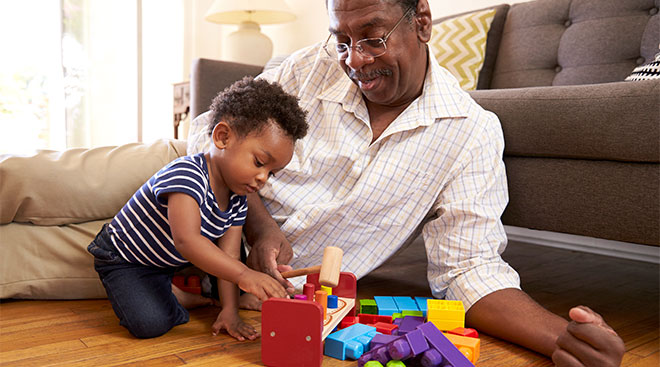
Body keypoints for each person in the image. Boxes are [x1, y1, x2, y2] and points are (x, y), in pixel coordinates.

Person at [188, 0, 625, 365]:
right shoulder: (310, 67)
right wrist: (260, 225)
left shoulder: (469, 132)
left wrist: (559, 338)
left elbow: (468, 269)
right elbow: (206, 135)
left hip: (235, 286)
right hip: (185, 203)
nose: (355, 60)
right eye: (342, 41)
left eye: (373, 38)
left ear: (422, 22)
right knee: (131, 185)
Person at [87, 77, 308, 340]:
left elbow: (230, 258)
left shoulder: (238, 198)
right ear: (223, 137)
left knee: (219, 271)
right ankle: (174, 295)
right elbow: (187, 240)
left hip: (165, 262)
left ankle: (169, 290)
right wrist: (245, 276)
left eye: (271, 173)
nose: (262, 178)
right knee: (149, 325)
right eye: (259, 162)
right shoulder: (187, 175)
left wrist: (230, 310)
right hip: (125, 258)